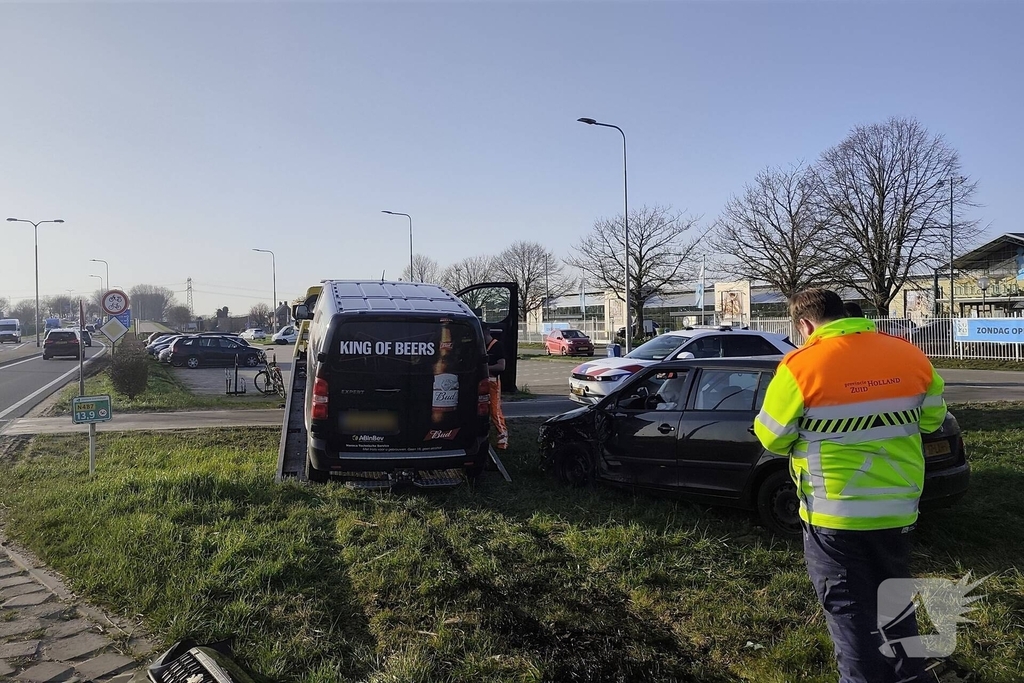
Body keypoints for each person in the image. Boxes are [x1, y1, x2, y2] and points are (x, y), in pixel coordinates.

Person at [753, 289, 947, 683]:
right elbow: (932, 420)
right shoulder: (908, 355)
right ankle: (911, 676)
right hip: (898, 508)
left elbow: (771, 437)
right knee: (894, 602)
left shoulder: (800, 366)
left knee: (851, 615)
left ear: (805, 324)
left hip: (835, 513)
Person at [484, 327, 508, 450]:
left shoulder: (497, 346)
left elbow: (501, 366)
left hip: (493, 381)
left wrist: (486, 368)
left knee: (495, 410)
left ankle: (503, 437)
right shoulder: (480, 345)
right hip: (482, 381)